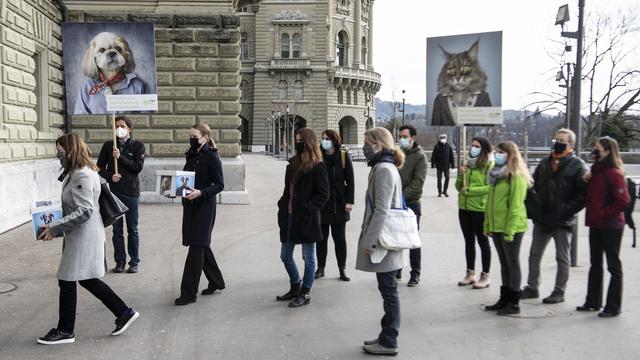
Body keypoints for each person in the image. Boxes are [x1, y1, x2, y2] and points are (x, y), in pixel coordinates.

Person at [37, 133, 139, 345]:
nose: (58, 155)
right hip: (81, 235)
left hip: (84, 236)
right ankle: (123, 312)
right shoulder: (79, 171)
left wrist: (55, 228)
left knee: (69, 279)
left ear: (71, 150)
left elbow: (85, 211)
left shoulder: (82, 174)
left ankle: (66, 331)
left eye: (60, 151)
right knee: (83, 279)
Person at [521, 129, 587, 304]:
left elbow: (583, 195)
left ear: (571, 145)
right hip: (542, 218)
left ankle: (559, 291)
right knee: (534, 254)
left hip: (563, 220)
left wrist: (565, 210)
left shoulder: (578, 165)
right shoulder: (545, 162)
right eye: (556, 139)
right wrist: (535, 208)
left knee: (562, 257)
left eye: (562, 140)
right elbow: (533, 185)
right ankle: (532, 287)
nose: (557, 142)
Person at [356, 127, 406, 356]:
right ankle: (386, 335)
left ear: (378, 144)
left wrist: (370, 241)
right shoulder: (385, 166)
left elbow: (382, 210)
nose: (365, 147)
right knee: (388, 288)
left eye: (367, 142)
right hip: (385, 239)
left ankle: (389, 341)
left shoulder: (384, 169)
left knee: (389, 290)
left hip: (384, 242)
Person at [577, 136, 630, 317]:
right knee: (595, 264)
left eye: (597, 149)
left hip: (611, 226)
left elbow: (623, 201)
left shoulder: (614, 173)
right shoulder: (596, 171)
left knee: (613, 266)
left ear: (607, 151)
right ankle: (593, 301)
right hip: (596, 224)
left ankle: (613, 306)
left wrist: (603, 213)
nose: (594, 151)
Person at [276, 128, 329, 308]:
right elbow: (287, 190)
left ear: (308, 142)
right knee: (285, 255)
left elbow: (323, 194)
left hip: (306, 218)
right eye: (296, 139)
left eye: (300, 140)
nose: (297, 143)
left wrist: (307, 209)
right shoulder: (293, 163)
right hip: (289, 216)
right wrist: (282, 205)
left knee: (308, 257)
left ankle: (305, 292)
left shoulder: (317, 165)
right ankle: (295, 285)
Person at [174, 124, 226, 306]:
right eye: (190, 136)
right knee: (202, 245)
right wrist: (175, 189)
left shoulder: (211, 156)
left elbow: (220, 185)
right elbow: (185, 178)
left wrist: (201, 192)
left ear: (205, 137)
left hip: (204, 207)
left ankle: (188, 293)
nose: (192, 139)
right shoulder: (192, 153)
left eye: (194, 136)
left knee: (196, 249)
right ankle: (216, 281)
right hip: (190, 205)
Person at [483, 141, 531, 315]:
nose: (497, 154)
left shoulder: (516, 176)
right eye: (496, 151)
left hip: (512, 227)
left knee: (512, 262)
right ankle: (504, 298)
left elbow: (516, 206)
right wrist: (488, 224)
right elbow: (490, 202)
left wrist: (509, 231)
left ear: (510, 155)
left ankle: (514, 301)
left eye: (501, 152)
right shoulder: (496, 175)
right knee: (504, 263)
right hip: (497, 226)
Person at [97, 115, 145, 274]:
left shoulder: (138, 146)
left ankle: (134, 261)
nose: (119, 128)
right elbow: (99, 167)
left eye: (122, 126)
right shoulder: (108, 146)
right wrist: (110, 176)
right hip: (114, 192)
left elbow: (137, 167)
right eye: (116, 126)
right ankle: (120, 261)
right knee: (117, 229)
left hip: (131, 192)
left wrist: (120, 157)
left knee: (133, 228)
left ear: (129, 129)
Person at [316, 129, 354, 282]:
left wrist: (349, 201)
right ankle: (321, 268)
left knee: (339, 239)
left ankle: (342, 268)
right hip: (322, 204)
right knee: (321, 239)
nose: (324, 141)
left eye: (327, 139)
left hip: (339, 203)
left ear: (334, 140)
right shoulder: (318, 156)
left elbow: (350, 181)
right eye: (323, 138)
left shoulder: (343, 156)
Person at [456, 137, 494, 289]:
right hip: (464, 208)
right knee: (468, 241)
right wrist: (460, 174)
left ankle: (485, 275)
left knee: (483, 242)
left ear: (483, 149)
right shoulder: (467, 165)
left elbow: (489, 188)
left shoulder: (489, 166)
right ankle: (470, 273)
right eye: (472, 145)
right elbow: (459, 187)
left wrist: (470, 191)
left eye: (477, 146)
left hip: (480, 209)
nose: (473, 148)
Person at [396, 125, 427, 286]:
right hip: (396, 204)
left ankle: (415, 273)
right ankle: (398, 268)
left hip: (412, 203)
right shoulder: (398, 153)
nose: (402, 139)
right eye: (400, 136)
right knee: (398, 238)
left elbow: (418, 182)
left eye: (404, 136)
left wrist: (401, 196)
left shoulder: (420, 157)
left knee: (413, 240)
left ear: (412, 138)